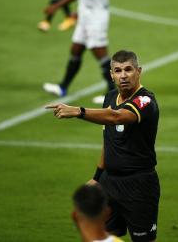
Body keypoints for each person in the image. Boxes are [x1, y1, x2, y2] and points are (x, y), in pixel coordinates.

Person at [47, 50, 160, 242]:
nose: (123, 75)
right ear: (111, 75)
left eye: (128, 69)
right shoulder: (110, 98)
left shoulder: (145, 100)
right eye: (118, 70)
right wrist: (98, 177)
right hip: (109, 183)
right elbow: (108, 141)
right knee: (100, 238)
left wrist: (78, 111)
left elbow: (117, 117)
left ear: (139, 71)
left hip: (139, 185)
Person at [43, 0, 114, 104]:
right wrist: (79, 13)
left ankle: (113, 94)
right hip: (85, 14)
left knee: (100, 53)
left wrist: (57, 6)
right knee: (76, 49)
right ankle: (62, 87)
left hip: (96, 17)